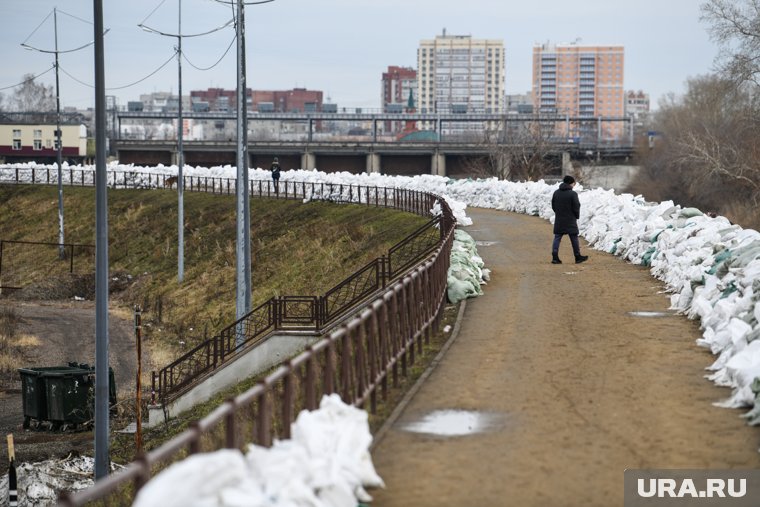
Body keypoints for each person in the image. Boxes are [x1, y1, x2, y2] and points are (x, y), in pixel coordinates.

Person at [551, 175, 588, 264]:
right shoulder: (573, 194)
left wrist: (558, 213)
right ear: (571, 183)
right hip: (570, 219)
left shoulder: (556, 193)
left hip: (559, 219)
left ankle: (555, 257)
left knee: (557, 237)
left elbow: (553, 205)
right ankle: (577, 257)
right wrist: (576, 216)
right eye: (573, 183)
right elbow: (576, 206)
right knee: (574, 237)